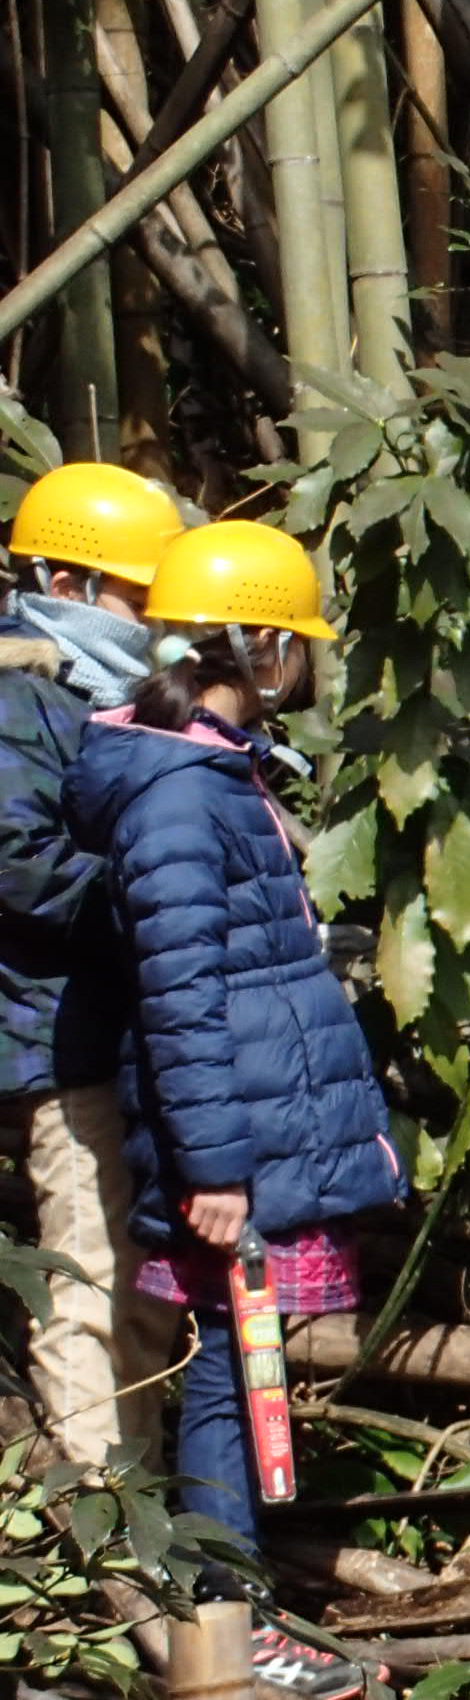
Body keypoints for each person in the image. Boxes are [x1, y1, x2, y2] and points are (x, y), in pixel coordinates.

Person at [63, 521, 403, 1700]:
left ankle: (234, 1606)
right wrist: (215, 1169)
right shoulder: (176, 795)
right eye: (298, 645)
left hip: (257, 1128)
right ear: (260, 646)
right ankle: (227, 1619)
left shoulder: (216, 774)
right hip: (235, 1146)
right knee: (221, 1379)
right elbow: (181, 995)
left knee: (234, 1370)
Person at [0, 464, 188, 1471]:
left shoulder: (100, 702)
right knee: (88, 1278)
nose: (151, 623)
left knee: (138, 1279)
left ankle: (137, 1496)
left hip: (106, 1034)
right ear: (64, 586)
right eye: (134, 598)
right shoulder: (16, 698)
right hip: (51, 1042)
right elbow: (16, 862)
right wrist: (157, 895)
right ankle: (100, 1539)